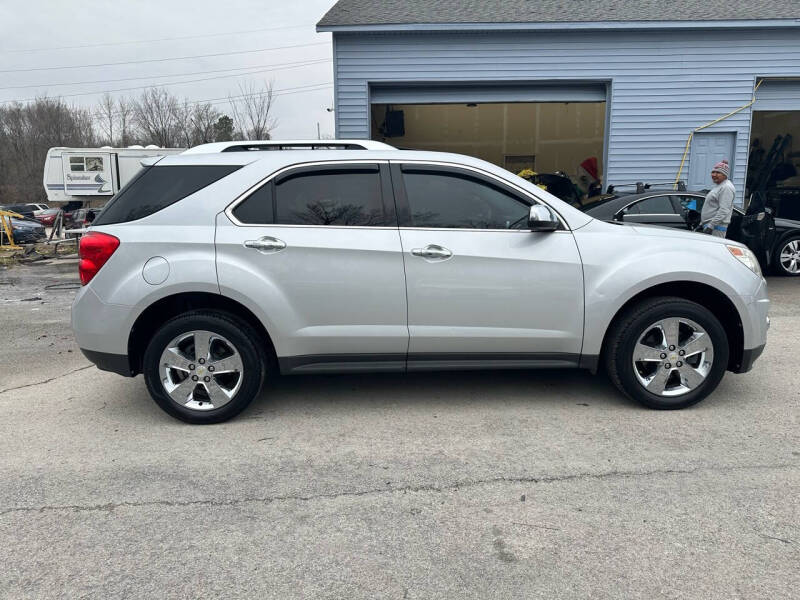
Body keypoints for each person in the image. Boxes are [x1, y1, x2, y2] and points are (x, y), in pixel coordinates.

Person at [700, 160, 735, 237]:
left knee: (713, 248)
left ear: (725, 175)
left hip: (717, 228)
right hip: (710, 226)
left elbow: (724, 210)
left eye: (718, 173)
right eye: (713, 172)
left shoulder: (726, 187)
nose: (714, 175)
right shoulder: (720, 186)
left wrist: (711, 226)